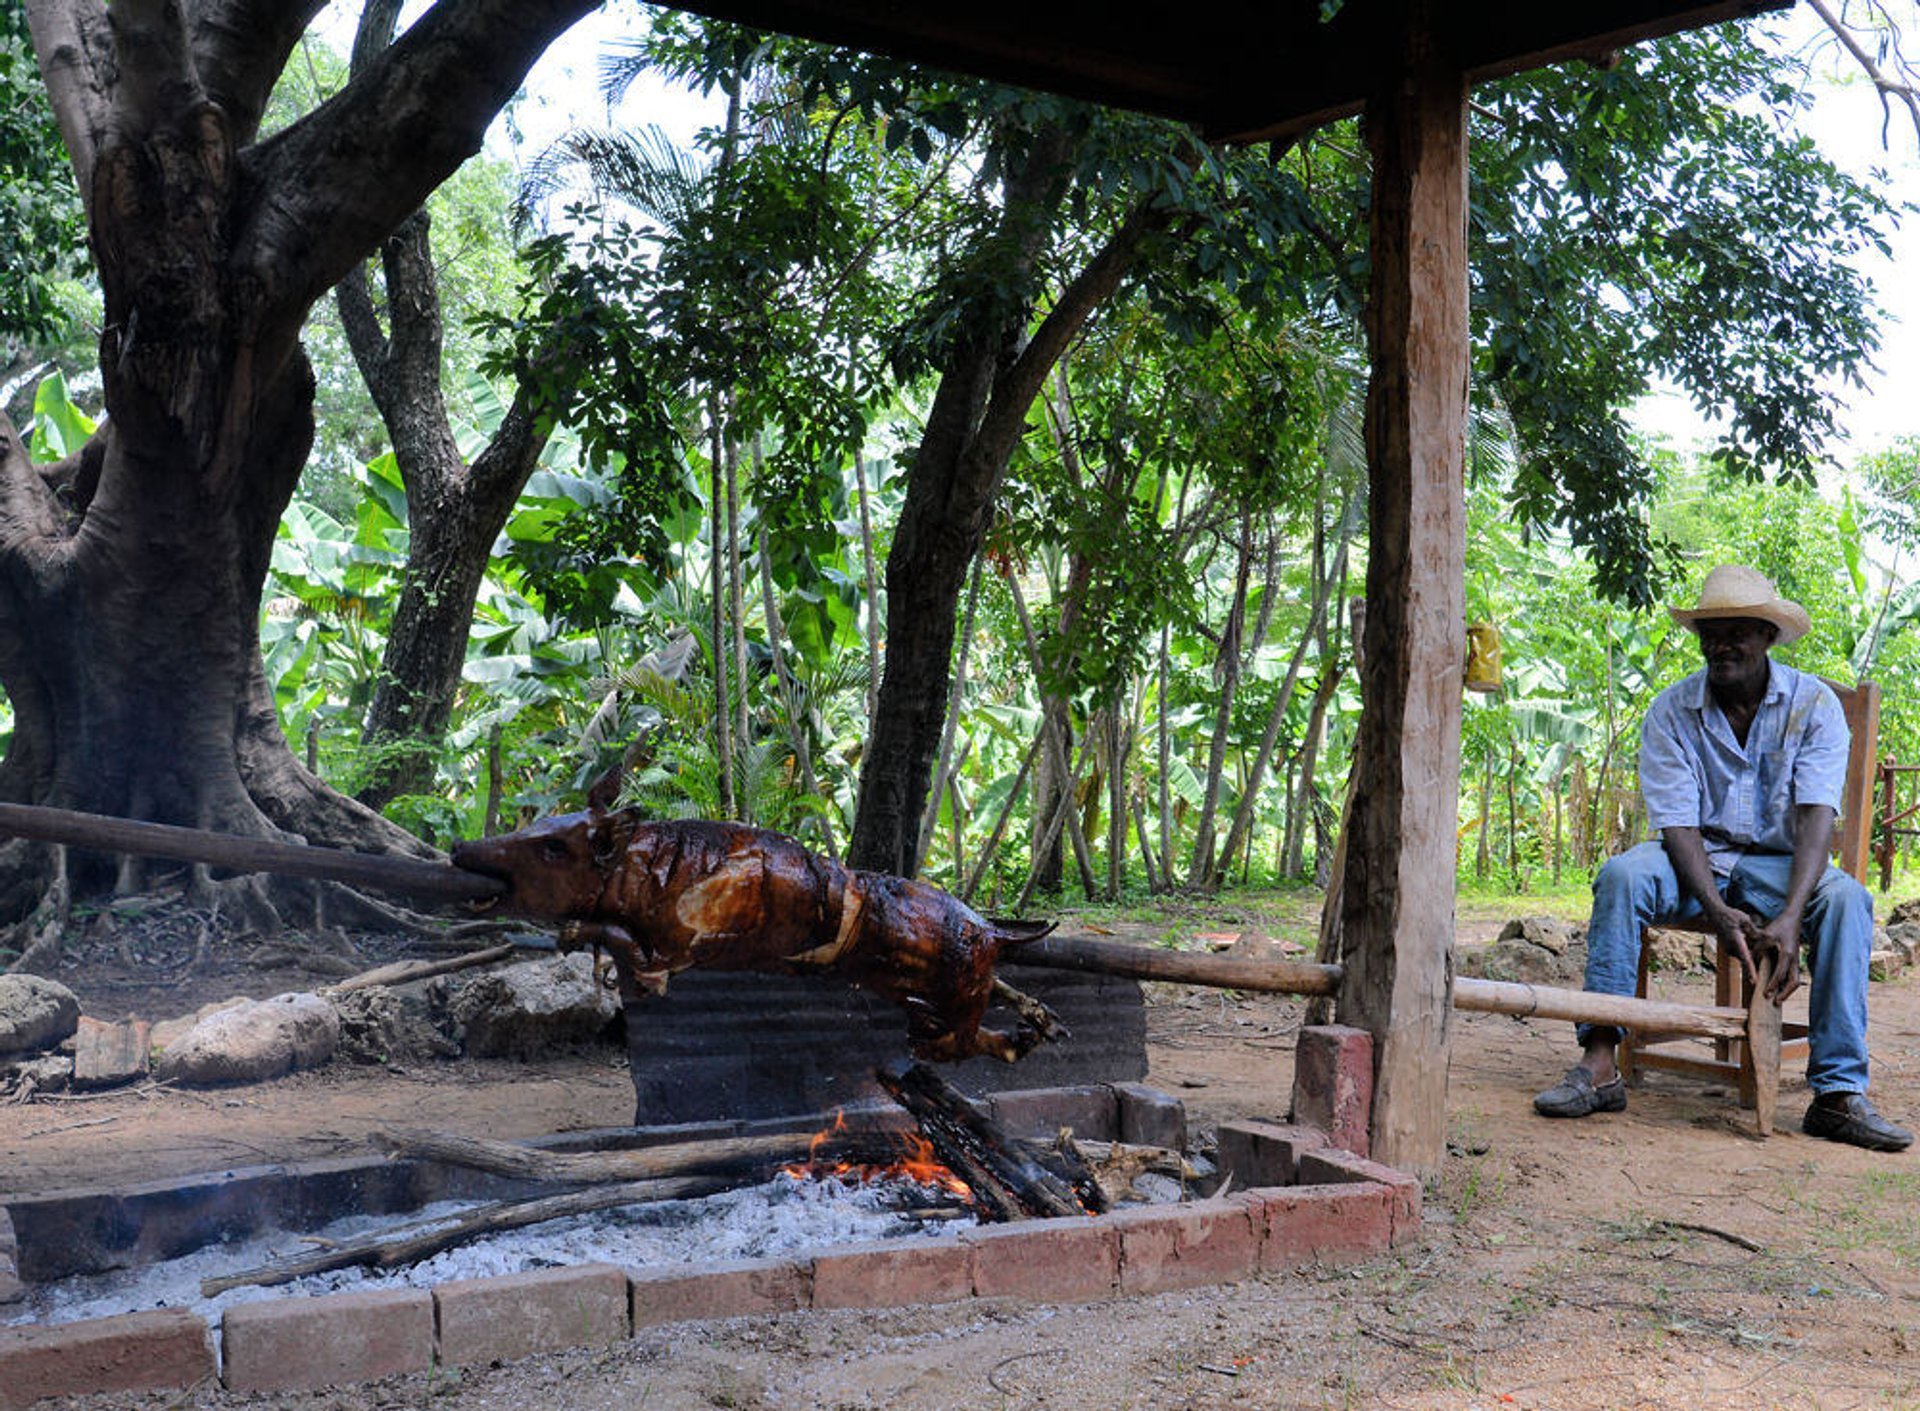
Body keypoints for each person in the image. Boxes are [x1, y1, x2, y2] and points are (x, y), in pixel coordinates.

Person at [1533, 564, 1911, 1152]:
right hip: (1696, 861)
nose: (1721, 645)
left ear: (1766, 636)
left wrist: (1789, 915)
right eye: (1711, 633)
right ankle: (1601, 1063)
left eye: (1737, 631)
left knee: (1847, 901)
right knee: (1622, 875)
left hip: (1778, 865)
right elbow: (1677, 824)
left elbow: (1817, 817)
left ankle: (1837, 1096)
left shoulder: (1812, 706)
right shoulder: (1672, 710)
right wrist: (1711, 905)